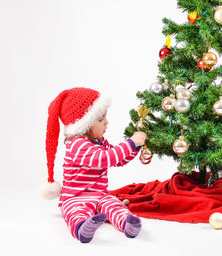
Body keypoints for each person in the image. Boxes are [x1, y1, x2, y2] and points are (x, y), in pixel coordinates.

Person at [41, 87, 147, 243]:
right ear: (85, 125)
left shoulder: (99, 142)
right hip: (75, 197)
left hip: (100, 195)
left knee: (114, 204)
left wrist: (136, 147)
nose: (106, 122)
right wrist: (130, 143)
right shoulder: (77, 145)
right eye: (100, 119)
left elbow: (119, 159)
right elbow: (104, 159)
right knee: (75, 211)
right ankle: (82, 227)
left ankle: (127, 223)